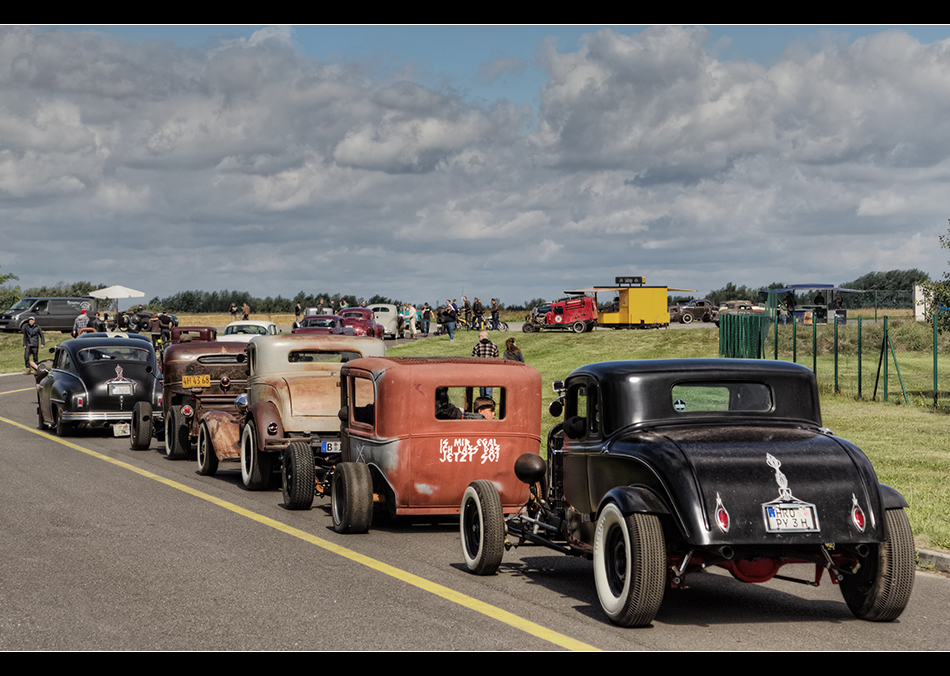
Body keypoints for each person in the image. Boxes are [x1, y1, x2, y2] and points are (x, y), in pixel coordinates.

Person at [472, 331, 499, 398]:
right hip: (490, 368)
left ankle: (482, 398)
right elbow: (496, 358)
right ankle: (488, 398)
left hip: (481, 368)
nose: (479, 338)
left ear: (482, 337)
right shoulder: (493, 345)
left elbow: (473, 358)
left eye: (479, 336)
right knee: (489, 384)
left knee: (482, 385)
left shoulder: (477, 346)